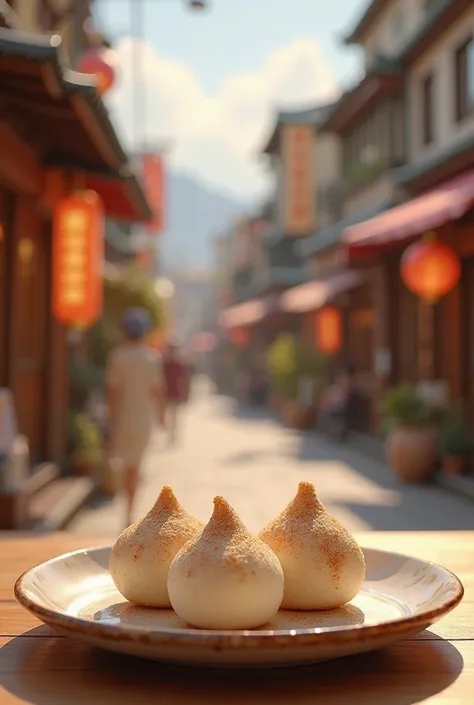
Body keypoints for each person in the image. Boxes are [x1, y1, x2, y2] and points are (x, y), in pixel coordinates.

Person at [106, 307, 164, 527]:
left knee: (125, 464)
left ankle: (126, 508)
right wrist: (162, 416)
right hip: (143, 417)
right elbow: (157, 391)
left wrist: (110, 420)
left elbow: (112, 392)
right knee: (136, 466)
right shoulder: (152, 357)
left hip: (123, 416)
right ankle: (129, 510)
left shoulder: (117, 356)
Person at [162, 341, 187, 444]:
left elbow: (183, 380)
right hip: (166, 393)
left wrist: (185, 394)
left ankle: (173, 434)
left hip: (176, 393)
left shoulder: (179, 364)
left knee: (175, 415)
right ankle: (170, 433)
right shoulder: (164, 364)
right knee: (168, 415)